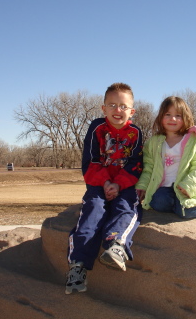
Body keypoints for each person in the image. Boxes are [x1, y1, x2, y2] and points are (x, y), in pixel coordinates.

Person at [66, 83, 143, 294]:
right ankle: (78, 266)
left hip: (124, 184)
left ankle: (116, 245)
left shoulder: (136, 133)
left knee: (127, 206)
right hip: (98, 183)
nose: (117, 110)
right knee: (93, 209)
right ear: (103, 109)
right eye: (112, 105)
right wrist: (105, 183)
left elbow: (136, 163)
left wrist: (118, 184)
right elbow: (90, 160)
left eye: (123, 106)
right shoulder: (97, 128)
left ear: (132, 111)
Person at [135, 96, 196, 220]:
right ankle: (178, 207)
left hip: (187, 187)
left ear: (185, 118)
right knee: (157, 203)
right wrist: (142, 186)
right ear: (161, 117)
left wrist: (189, 185)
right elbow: (148, 167)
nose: (172, 119)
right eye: (167, 114)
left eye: (178, 115)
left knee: (186, 212)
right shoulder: (153, 143)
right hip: (165, 188)